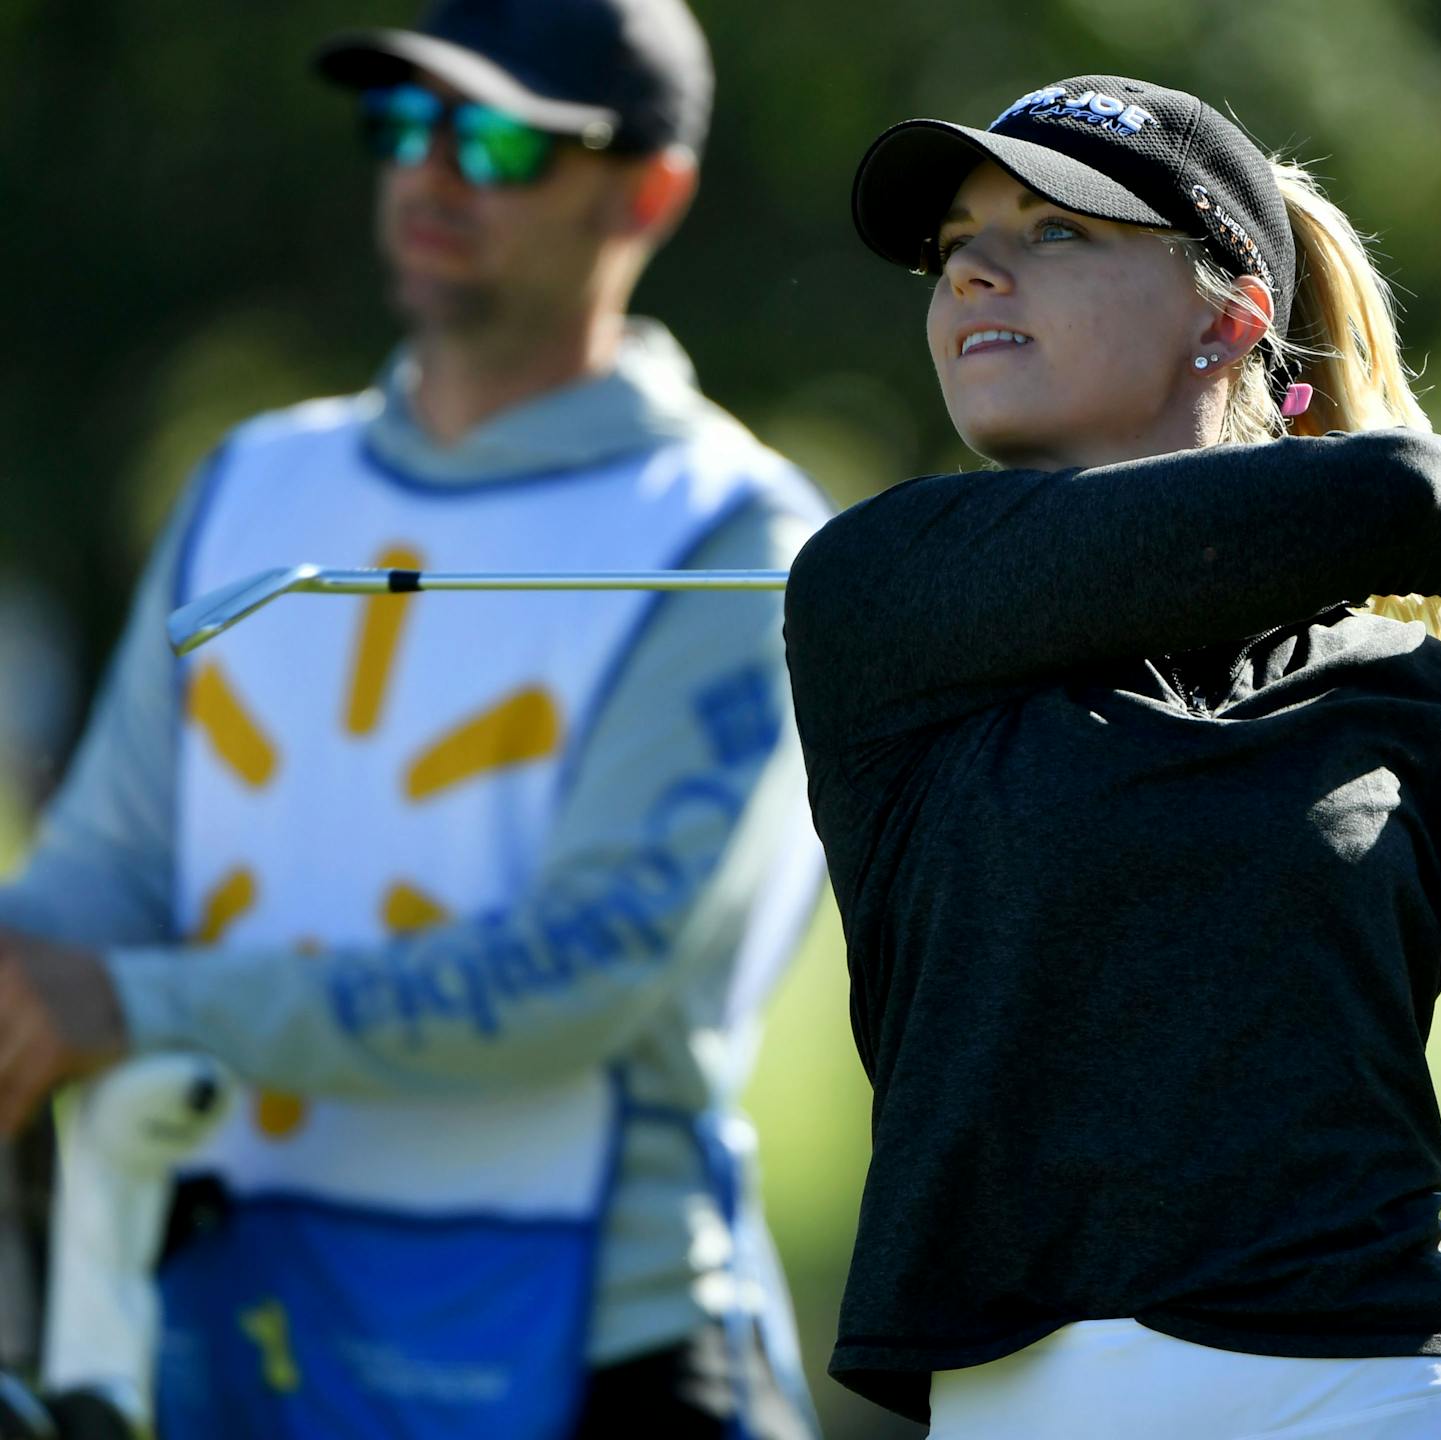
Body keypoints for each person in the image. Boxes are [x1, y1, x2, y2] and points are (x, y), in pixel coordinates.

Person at [783, 76, 1441, 1437]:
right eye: (954, 246)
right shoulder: (885, 588)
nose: (974, 267)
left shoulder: (1405, 699)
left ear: (1228, 320)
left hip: (1383, 1396)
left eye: (1055, 231)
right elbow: (1406, 493)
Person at [0, 2, 829, 1436]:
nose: (433, 173)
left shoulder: (735, 531)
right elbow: (112, 862)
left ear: (651, 191)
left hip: (601, 1343)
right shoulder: (251, 476)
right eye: (405, 124)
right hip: (239, 1308)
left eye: (504, 138)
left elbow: (573, 978)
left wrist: (131, 1004)